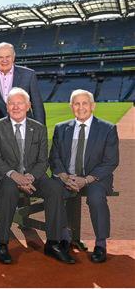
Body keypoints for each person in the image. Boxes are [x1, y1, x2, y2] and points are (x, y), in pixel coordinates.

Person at [0, 87, 74, 264]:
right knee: (8, 189)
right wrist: (15, 176)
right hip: (7, 177)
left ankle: (53, 243)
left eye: (20, 103)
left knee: (54, 188)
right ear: (7, 107)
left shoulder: (39, 128)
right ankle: (2, 243)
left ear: (28, 106)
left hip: (34, 176)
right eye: (11, 103)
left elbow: (43, 161)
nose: (15, 107)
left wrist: (29, 177)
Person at [49, 89, 119, 263]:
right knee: (54, 192)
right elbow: (54, 157)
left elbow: (111, 162)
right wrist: (64, 176)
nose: (81, 107)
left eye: (85, 103)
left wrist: (85, 180)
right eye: (76, 104)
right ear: (71, 106)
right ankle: (64, 238)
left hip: (95, 178)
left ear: (93, 105)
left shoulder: (107, 129)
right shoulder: (61, 128)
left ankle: (100, 244)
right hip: (67, 176)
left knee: (96, 198)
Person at [0, 42, 45, 125]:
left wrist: (41, 131)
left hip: (24, 128)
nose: (4, 60)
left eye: (8, 56)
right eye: (0, 57)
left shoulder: (28, 75)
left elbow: (37, 107)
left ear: (13, 57)